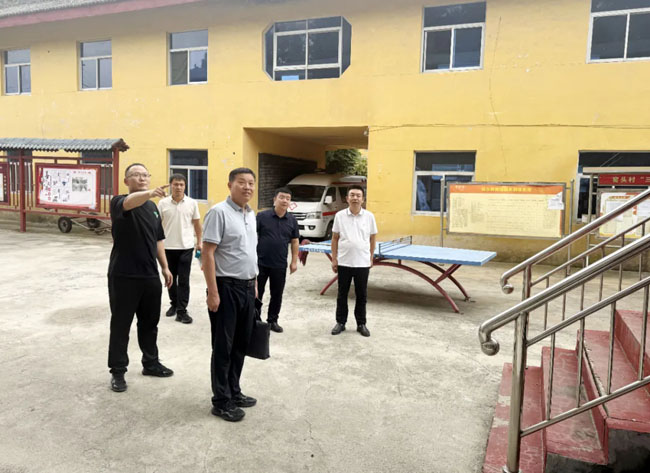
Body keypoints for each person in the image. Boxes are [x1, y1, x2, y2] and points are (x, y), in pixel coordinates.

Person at [107, 163, 174, 393]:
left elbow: (158, 239)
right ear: (126, 181)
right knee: (121, 325)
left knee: (150, 323)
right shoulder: (118, 202)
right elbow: (129, 203)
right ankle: (118, 371)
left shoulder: (152, 208)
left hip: (149, 275)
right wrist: (150, 193)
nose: (142, 178)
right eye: (136, 175)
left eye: (145, 175)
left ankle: (151, 363)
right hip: (124, 275)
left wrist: (165, 267)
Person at [202, 167, 258, 422]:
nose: (247, 187)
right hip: (226, 288)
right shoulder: (218, 212)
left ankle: (234, 391)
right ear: (230, 185)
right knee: (223, 347)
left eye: (251, 183)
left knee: (240, 345)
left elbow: (250, 251)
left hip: (247, 287)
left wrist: (254, 282)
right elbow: (208, 253)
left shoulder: (251, 214)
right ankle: (221, 401)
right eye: (241, 182)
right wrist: (213, 292)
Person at [330, 185, 377, 337]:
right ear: (347, 198)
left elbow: (372, 238)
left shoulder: (369, 216)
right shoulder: (340, 216)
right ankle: (340, 322)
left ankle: (361, 324)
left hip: (362, 263)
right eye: (352, 195)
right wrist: (334, 259)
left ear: (363, 199)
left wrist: (370, 257)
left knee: (361, 295)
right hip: (344, 262)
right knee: (342, 294)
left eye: (358, 195)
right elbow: (335, 238)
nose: (355, 198)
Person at [158, 173, 202, 324]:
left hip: (186, 247)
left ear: (185, 186)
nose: (178, 187)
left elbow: (197, 224)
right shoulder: (162, 203)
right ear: (171, 185)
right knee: (170, 278)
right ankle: (174, 304)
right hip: (167, 247)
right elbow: (157, 226)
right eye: (175, 184)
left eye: (181, 184)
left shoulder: (192, 203)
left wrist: (199, 242)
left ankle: (182, 311)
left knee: (183, 280)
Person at [256, 187, 299, 333]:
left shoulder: (292, 220)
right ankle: (255, 319)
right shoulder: (262, 216)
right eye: (282, 197)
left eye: (288, 198)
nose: (285, 200)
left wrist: (294, 261)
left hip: (279, 264)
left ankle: (272, 320)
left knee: (277, 294)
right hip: (260, 262)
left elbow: (295, 241)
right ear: (275, 199)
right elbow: (252, 236)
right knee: (257, 292)